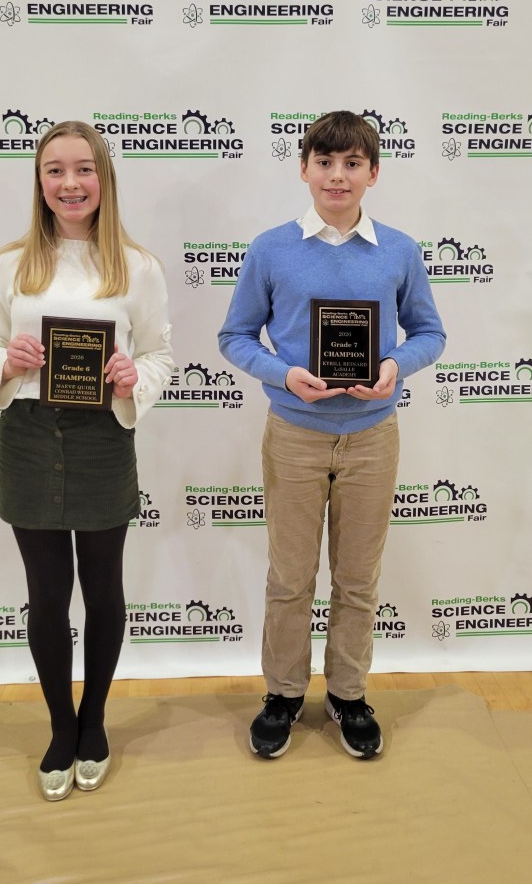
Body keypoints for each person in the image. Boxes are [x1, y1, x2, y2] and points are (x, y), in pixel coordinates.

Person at [218, 110, 445, 761]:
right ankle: (284, 693)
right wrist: (285, 373)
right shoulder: (271, 248)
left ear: (374, 172)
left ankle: (348, 692)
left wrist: (395, 365)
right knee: (290, 577)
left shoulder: (398, 251)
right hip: (294, 432)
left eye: (352, 164)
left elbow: (430, 332)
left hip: (373, 434)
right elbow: (235, 336)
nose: (337, 175)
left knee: (356, 578)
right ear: (303, 169)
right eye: (325, 162)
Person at [0, 120, 173, 800]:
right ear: (39, 181)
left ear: (103, 178)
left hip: (101, 439)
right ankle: (60, 724)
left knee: (104, 589)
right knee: (47, 597)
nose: (70, 183)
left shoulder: (137, 267)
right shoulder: (10, 264)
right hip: (28, 437)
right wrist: (7, 359)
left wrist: (129, 379)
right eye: (55, 170)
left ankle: (95, 719)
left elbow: (160, 355)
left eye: (83, 169)